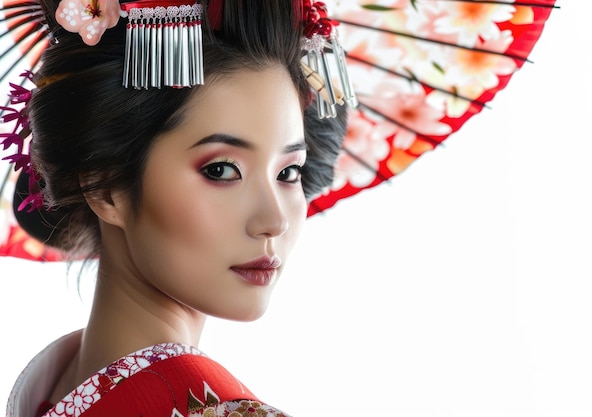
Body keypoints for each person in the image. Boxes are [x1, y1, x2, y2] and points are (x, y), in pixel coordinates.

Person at [3, 0, 347, 416]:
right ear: (105, 186)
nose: (272, 221)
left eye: (289, 172)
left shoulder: (47, 390)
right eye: (221, 170)